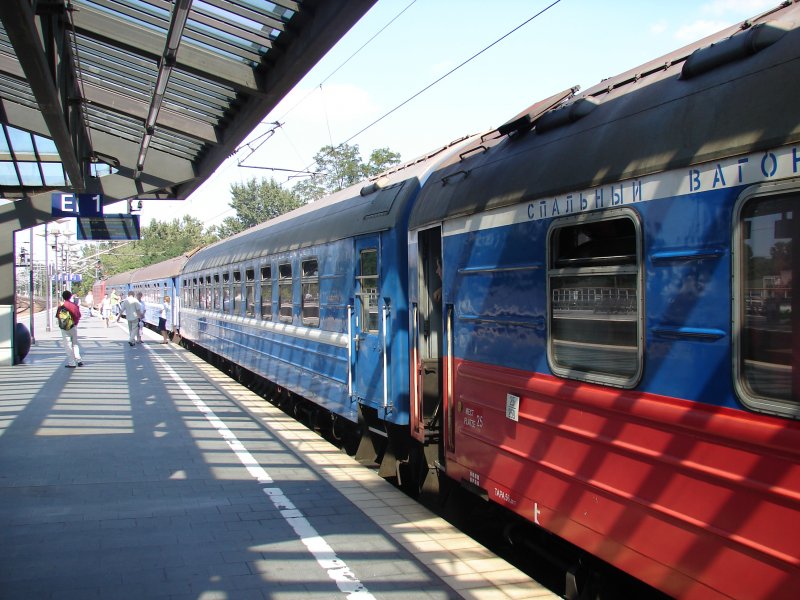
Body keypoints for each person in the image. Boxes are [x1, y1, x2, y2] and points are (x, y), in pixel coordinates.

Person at [57, 290, 83, 368]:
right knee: (75, 344)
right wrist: (75, 323)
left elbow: (58, 316)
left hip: (64, 328)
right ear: (70, 296)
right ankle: (79, 360)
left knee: (68, 345)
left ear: (63, 297)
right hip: (73, 327)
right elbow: (79, 315)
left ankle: (72, 363)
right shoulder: (74, 305)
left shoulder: (62, 306)